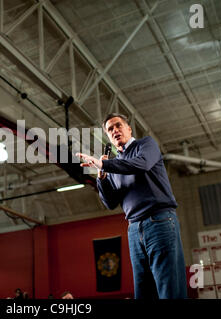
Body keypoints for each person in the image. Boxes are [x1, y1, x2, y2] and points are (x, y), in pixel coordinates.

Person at [76, 113, 187, 299]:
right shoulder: (113, 165)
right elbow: (110, 203)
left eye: (118, 125)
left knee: (169, 288)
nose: (115, 131)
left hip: (159, 221)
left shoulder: (146, 145)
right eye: (110, 129)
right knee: (143, 291)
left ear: (128, 129)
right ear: (108, 137)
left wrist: (105, 163)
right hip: (134, 229)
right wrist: (102, 176)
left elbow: (140, 165)